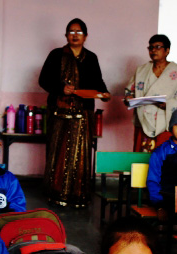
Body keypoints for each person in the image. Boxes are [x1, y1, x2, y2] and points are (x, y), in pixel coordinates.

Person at [39, 18, 110, 207]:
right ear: (66, 35)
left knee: (80, 155)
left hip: (83, 114)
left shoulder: (91, 58)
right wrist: (61, 89)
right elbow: (43, 80)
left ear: (85, 36)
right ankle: (56, 194)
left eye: (79, 32)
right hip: (59, 113)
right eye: (71, 31)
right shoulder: (56, 55)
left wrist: (104, 94)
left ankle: (78, 196)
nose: (75, 35)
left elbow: (98, 81)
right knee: (58, 153)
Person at [124, 34, 177, 153]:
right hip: (143, 121)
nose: (153, 50)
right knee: (142, 159)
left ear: (167, 51)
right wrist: (129, 98)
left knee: (165, 157)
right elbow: (129, 91)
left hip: (167, 123)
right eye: (150, 48)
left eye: (157, 47)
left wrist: (169, 104)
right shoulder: (141, 70)